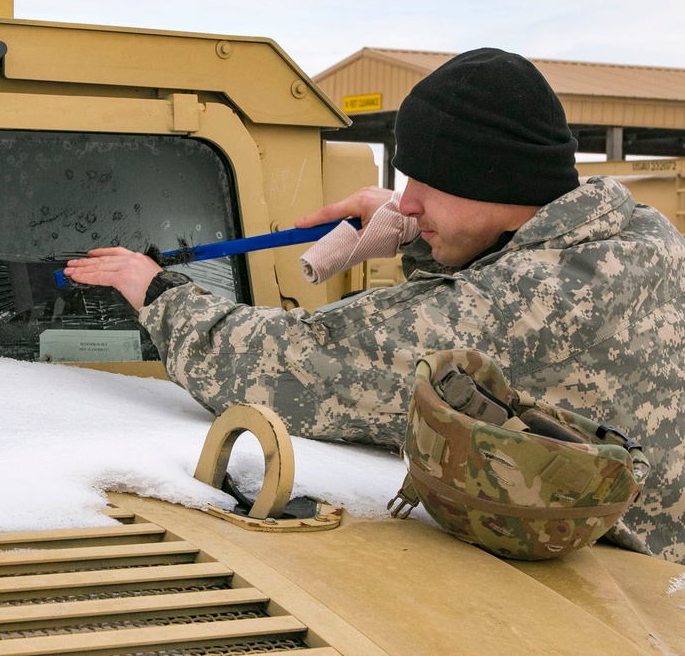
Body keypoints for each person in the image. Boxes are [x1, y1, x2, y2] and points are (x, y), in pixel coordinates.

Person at [64, 48, 685, 563]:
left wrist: (154, 290)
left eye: (426, 182)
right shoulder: (637, 234)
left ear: (489, 180)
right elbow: (484, 297)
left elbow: (288, 366)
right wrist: (422, 230)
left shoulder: (529, 298)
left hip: (633, 596)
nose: (406, 201)